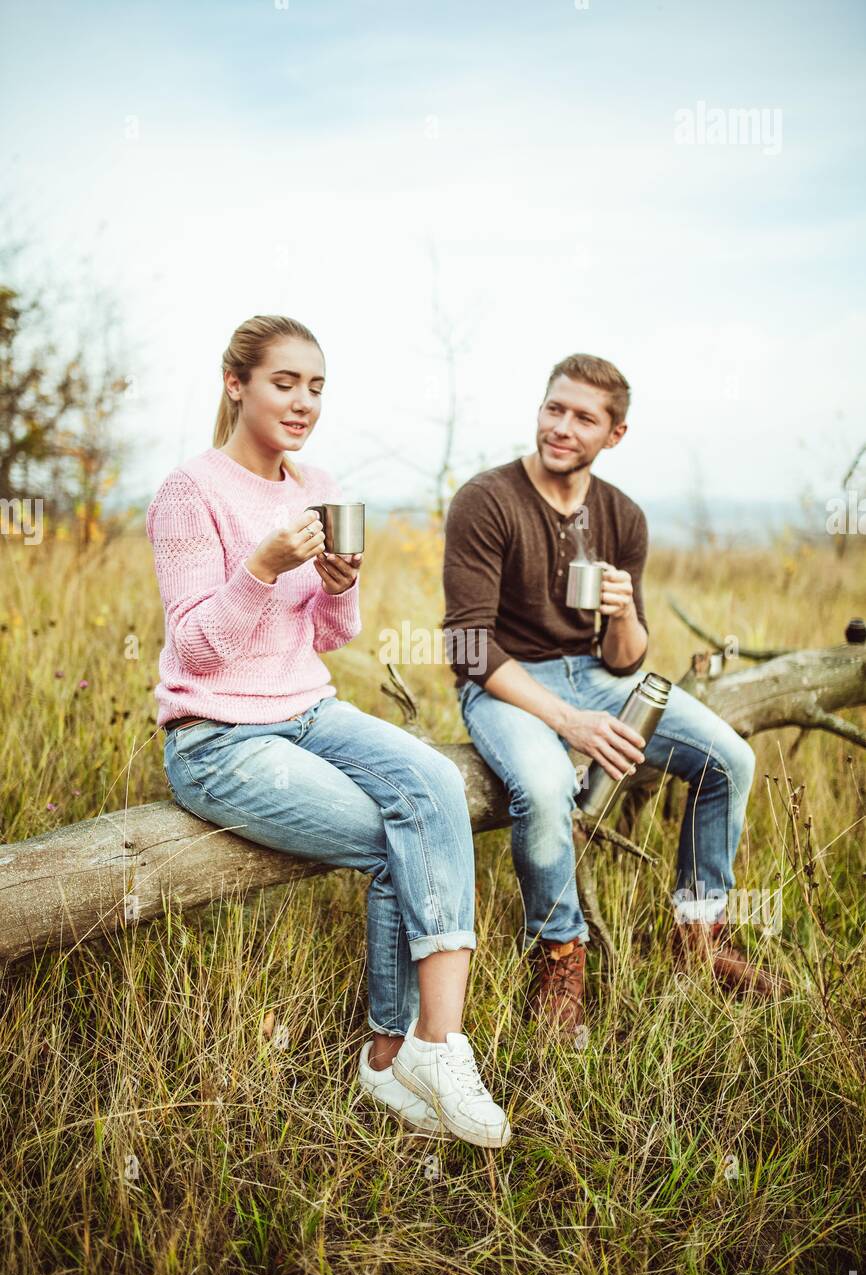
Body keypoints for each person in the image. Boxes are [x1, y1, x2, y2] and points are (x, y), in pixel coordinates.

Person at [146, 314, 510, 1147]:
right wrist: (264, 567)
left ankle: (434, 1045)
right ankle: (387, 1052)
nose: (304, 401)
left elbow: (330, 636)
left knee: (434, 785)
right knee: (394, 835)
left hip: (308, 709)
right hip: (217, 738)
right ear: (235, 384)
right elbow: (198, 650)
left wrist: (340, 583)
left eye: (316, 387)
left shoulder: (316, 481)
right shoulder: (187, 492)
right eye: (285, 382)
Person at [443, 352, 788, 1044]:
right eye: (553, 409)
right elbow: (468, 647)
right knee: (544, 789)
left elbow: (625, 659)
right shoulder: (488, 500)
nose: (561, 427)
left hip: (597, 677)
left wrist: (625, 611)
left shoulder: (622, 516)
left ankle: (698, 938)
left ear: (616, 434)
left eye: (583, 417)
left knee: (730, 760)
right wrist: (569, 723)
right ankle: (561, 958)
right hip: (507, 683)